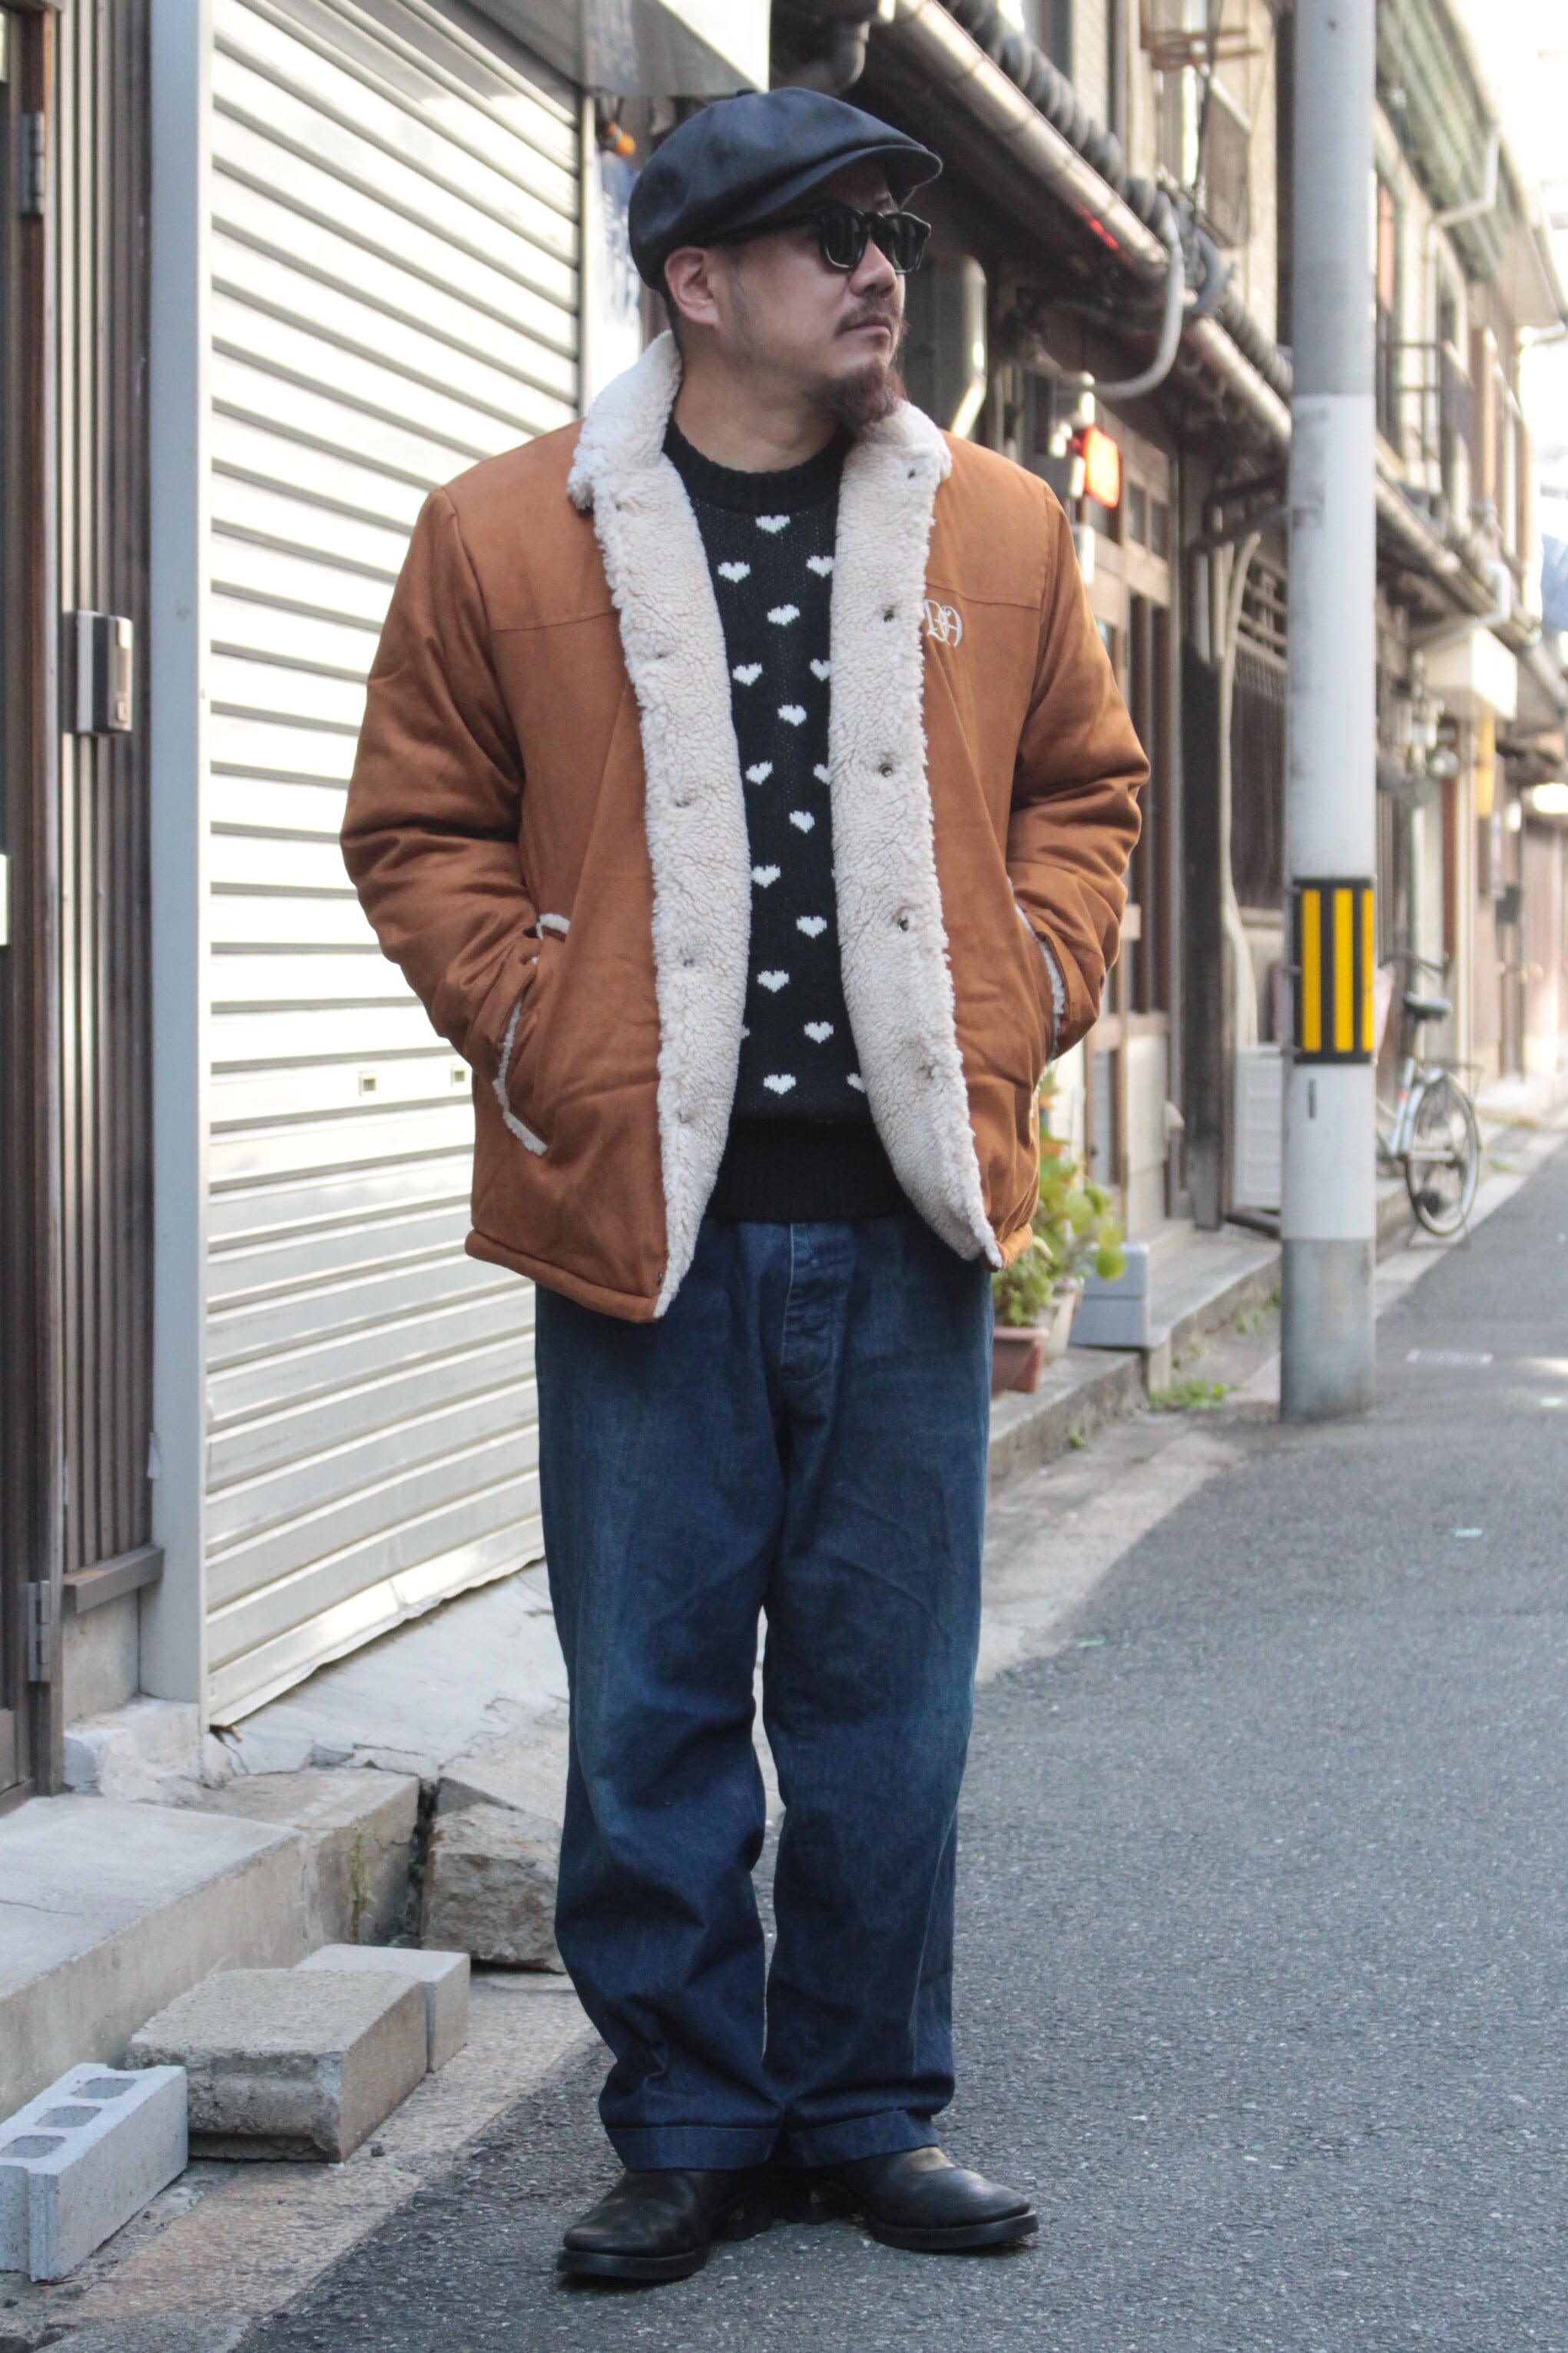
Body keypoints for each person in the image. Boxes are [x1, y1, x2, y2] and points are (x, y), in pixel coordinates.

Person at [343, 85, 1145, 2286]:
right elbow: (417, 825)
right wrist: (536, 1026)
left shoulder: (1001, 529)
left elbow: (1087, 793)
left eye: (889, 232)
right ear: (696, 283)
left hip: (907, 1216)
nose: (880, 271)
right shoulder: (504, 534)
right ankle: (690, 2118)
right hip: (640, 1224)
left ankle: (868, 2109)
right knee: (653, 1703)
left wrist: (1028, 986)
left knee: (886, 1707)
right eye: (827, 238)